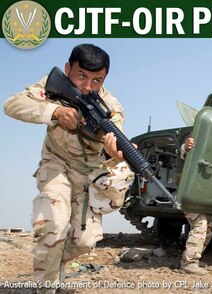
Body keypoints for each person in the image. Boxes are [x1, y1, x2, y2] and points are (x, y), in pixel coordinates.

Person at [3, 44, 134, 293]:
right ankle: (47, 287)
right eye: (81, 75)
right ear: (67, 69)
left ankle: (53, 261)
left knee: (85, 241)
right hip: (56, 163)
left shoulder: (111, 106)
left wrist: (115, 154)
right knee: (52, 225)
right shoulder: (53, 85)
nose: (87, 86)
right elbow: (12, 105)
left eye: (97, 80)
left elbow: (117, 143)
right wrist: (54, 111)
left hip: (89, 175)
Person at [179, 136, 212, 275]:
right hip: (188, 196)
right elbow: (182, 154)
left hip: (199, 196)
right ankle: (189, 263)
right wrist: (185, 148)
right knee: (200, 223)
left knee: (209, 224)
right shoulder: (192, 151)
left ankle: (193, 258)